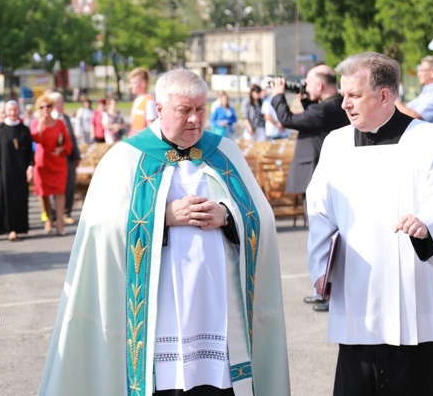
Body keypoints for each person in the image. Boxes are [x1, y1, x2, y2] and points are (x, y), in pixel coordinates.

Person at [39, 69, 290, 396]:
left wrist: (227, 215)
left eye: (201, 109)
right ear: (159, 109)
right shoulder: (126, 158)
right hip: (158, 314)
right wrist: (162, 216)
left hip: (217, 308)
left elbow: (260, 217)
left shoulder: (224, 152)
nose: (195, 120)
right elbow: (100, 228)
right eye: (184, 110)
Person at [307, 52, 433, 395]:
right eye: (344, 95)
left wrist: (427, 221)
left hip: (413, 286)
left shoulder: (428, 138)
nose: (345, 104)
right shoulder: (336, 143)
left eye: (354, 95)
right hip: (357, 287)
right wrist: (321, 267)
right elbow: (319, 210)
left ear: (385, 95)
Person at [271, 65, 349, 312]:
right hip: (328, 174)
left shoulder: (325, 109)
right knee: (328, 235)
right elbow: (311, 118)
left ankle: (325, 290)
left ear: (320, 85)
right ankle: (326, 288)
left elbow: (288, 120)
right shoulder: (335, 106)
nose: (304, 87)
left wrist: (278, 95)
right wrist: (303, 98)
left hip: (316, 175)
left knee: (321, 236)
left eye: (307, 84)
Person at [30, 95, 73, 236]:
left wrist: (61, 149)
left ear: (53, 107)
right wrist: (41, 124)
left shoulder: (60, 123)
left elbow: (68, 143)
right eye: (42, 107)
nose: (45, 109)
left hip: (58, 162)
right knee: (43, 194)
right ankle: (48, 219)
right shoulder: (35, 123)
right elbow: (36, 138)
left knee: (60, 192)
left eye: (48, 106)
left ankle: (59, 223)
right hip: (42, 163)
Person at [0, 100, 33, 241]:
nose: (12, 113)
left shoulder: (24, 129)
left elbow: (29, 152)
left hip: (20, 171)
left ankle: (18, 227)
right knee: (5, 199)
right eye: (10, 110)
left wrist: (30, 167)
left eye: (15, 110)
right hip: (3, 171)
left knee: (19, 199)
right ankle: (8, 228)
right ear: (6, 111)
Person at [50, 92, 81, 226]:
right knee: (55, 186)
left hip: (68, 156)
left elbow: (71, 138)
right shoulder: (50, 119)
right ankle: (54, 214)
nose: (62, 104)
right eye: (60, 101)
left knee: (70, 184)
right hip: (55, 157)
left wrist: (76, 155)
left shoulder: (65, 117)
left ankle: (66, 212)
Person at [396, 55, 433, 128]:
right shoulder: (428, 92)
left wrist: (394, 100)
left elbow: (414, 116)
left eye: (421, 70)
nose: (418, 74)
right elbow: (406, 108)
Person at [128, 67, 157, 136]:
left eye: (133, 83)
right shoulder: (136, 101)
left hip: (142, 143)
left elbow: (151, 128)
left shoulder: (149, 101)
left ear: (143, 84)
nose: (130, 86)